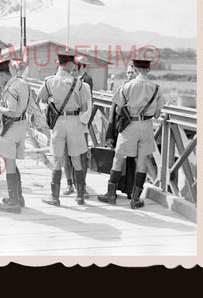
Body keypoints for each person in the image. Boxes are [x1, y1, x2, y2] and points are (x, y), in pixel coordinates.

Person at [98, 58, 165, 209]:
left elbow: (117, 109)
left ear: (135, 69)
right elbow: (157, 114)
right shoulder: (156, 88)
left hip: (130, 127)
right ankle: (135, 199)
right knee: (142, 161)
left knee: (118, 158)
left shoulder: (127, 86)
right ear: (148, 70)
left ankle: (111, 195)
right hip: (146, 126)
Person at [37, 50, 90, 206]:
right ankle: (80, 197)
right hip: (74, 121)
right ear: (71, 64)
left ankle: (55, 198)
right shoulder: (78, 83)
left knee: (58, 159)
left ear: (57, 63)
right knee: (76, 159)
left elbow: (42, 100)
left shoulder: (49, 81)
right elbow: (85, 107)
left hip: (58, 123)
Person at [0, 59, 30, 214]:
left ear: (2, 75)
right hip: (21, 125)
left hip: (11, 126)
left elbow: (11, 111)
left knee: (9, 163)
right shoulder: (21, 83)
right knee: (12, 161)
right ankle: (18, 196)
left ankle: (13, 201)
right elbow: (18, 107)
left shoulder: (11, 88)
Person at [105, 64, 138, 198]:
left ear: (138, 73)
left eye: (132, 73)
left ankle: (130, 190)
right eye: (128, 73)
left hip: (134, 128)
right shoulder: (123, 87)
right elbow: (114, 109)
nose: (130, 75)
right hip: (121, 127)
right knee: (118, 158)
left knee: (131, 160)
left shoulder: (139, 89)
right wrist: (111, 130)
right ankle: (116, 189)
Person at [62, 55, 93, 197]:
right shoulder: (62, 83)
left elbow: (88, 109)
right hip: (65, 126)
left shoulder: (84, 86)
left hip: (80, 127)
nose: (73, 72)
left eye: (76, 70)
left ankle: (82, 186)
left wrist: (79, 123)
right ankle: (69, 184)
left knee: (81, 157)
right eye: (72, 70)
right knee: (66, 156)